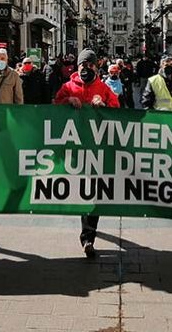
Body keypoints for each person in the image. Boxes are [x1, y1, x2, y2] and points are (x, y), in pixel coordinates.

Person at [54, 49, 120, 258]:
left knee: (93, 194)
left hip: (96, 149)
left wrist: (105, 105)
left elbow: (117, 109)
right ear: (78, 66)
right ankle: (87, 233)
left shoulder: (104, 87)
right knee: (80, 190)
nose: (86, 68)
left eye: (90, 65)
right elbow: (54, 106)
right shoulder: (68, 86)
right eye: (83, 65)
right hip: (74, 150)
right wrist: (67, 101)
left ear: (96, 67)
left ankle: (88, 237)